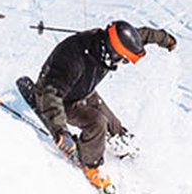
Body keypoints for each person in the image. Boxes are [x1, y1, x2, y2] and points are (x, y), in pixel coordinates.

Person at [24, 20, 178, 168]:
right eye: (123, 60)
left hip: (82, 92)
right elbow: (51, 93)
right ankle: (90, 163)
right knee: (97, 123)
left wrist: (166, 40)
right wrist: (60, 131)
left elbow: (141, 35)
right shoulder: (74, 59)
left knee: (114, 125)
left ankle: (124, 148)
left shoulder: (111, 40)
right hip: (60, 100)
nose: (121, 64)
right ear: (113, 52)